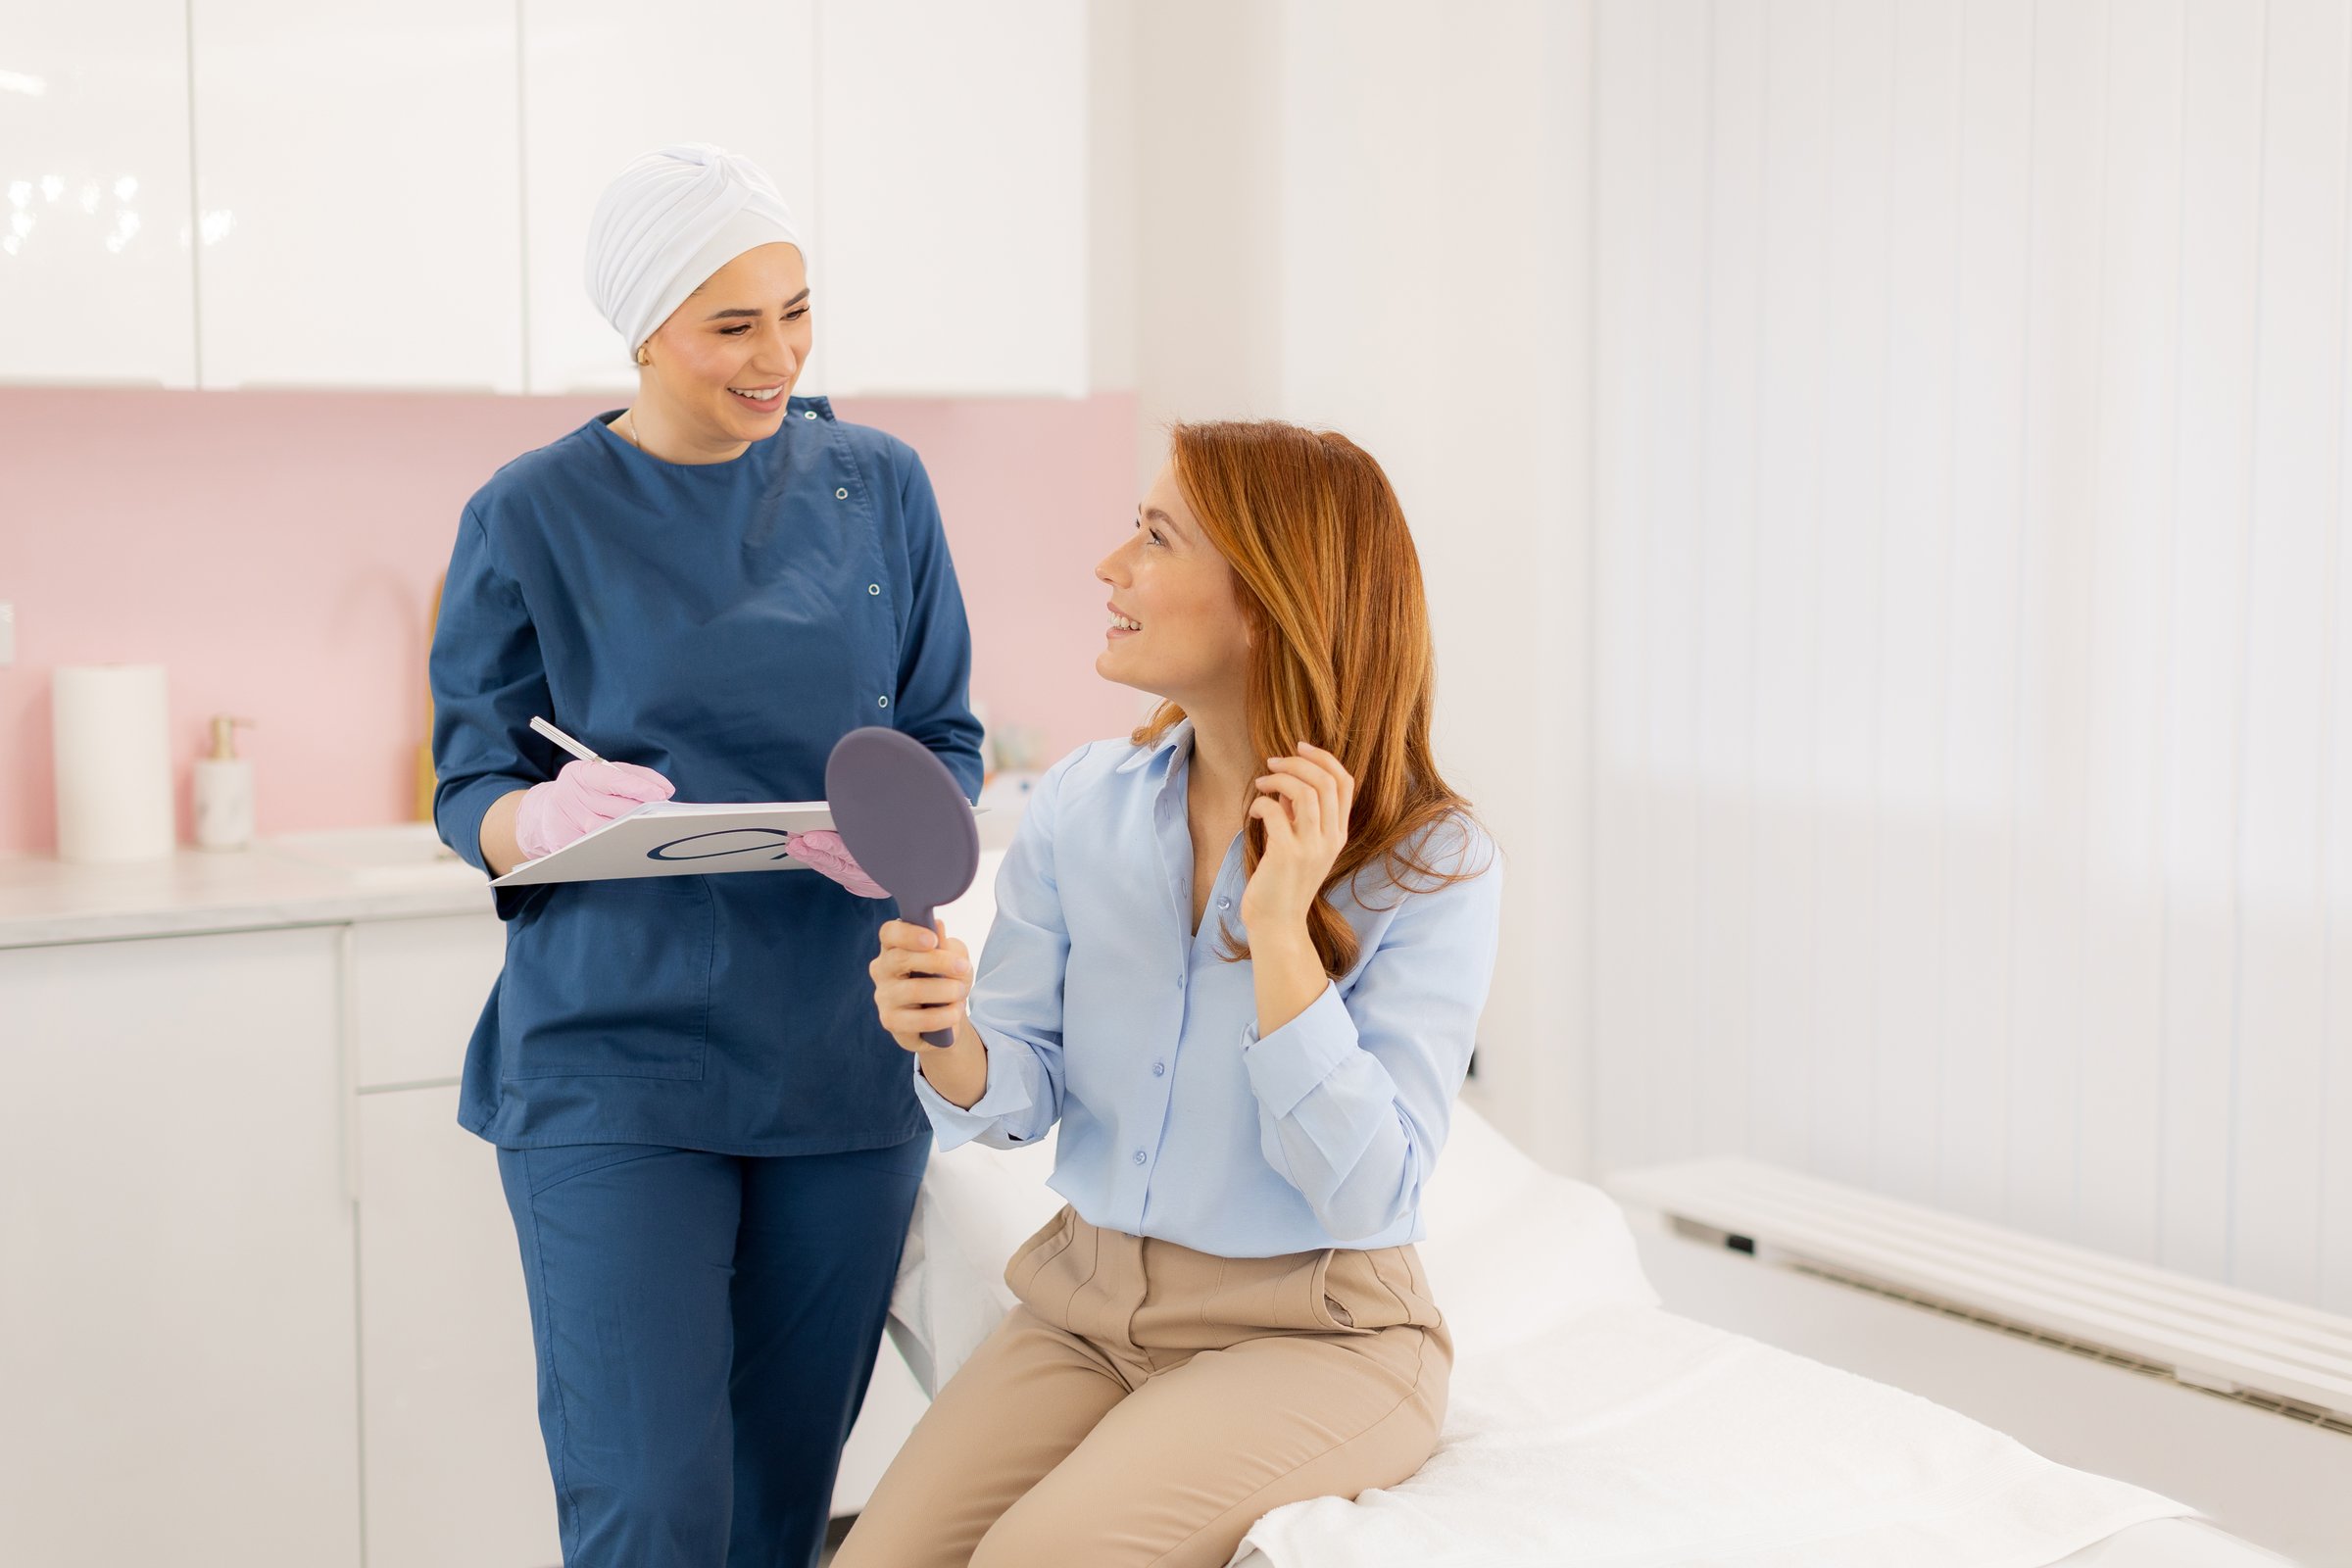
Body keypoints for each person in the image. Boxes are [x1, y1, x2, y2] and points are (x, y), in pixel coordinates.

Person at [427, 142, 982, 1568]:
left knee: (774, 1507)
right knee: (651, 1507)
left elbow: (947, 736)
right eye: (734, 324)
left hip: (838, 1064)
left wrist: (903, 828)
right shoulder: (529, 512)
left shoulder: (881, 487)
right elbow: (471, 779)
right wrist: (535, 822)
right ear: (643, 329)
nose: (778, 355)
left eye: (797, 310)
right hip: (615, 1060)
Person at [837, 420, 1502, 1568]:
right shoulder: (1082, 806)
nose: (1110, 568)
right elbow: (1022, 1085)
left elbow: (1371, 1192)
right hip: (1088, 1312)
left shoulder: (1430, 863)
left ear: (1268, 596)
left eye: (1154, 537)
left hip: (1322, 1336)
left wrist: (1282, 932)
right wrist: (944, 1035)